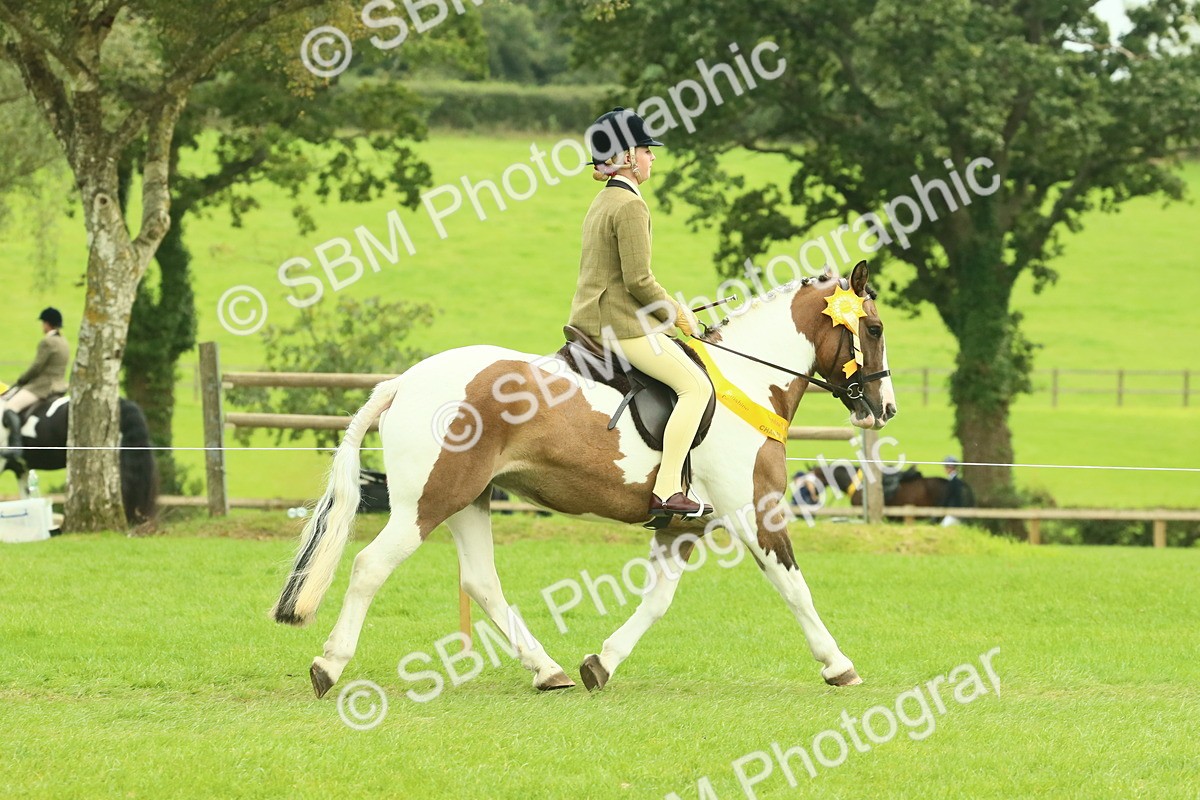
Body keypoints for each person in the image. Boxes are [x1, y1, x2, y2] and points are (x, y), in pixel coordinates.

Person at [567, 107, 714, 519]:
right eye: (647, 150)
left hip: (594, 317)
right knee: (696, 388)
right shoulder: (631, 206)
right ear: (629, 155)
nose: (653, 157)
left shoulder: (603, 199)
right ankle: (668, 490)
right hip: (617, 327)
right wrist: (678, 315)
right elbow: (638, 282)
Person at [1, 308, 70, 459]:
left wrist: (22, 379)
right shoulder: (63, 342)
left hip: (42, 387)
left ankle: (16, 446)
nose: (42, 326)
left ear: (47, 324)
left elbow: (36, 367)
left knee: (10, 407)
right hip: (60, 386)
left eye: (43, 323)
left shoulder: (47, 342)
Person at [941, 455, 966, 525]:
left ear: (950, 468)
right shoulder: (954, 480)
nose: (945, 469)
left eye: (946, 467)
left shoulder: (954, 482)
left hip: (954, 513)